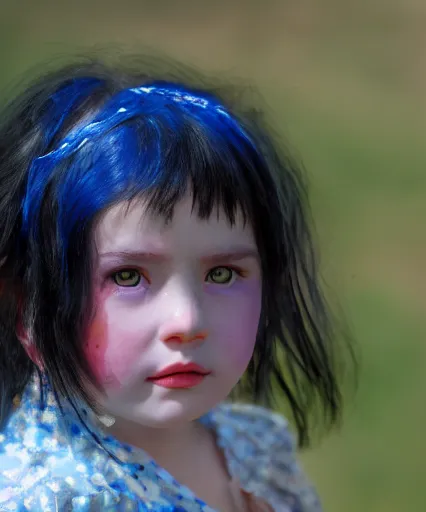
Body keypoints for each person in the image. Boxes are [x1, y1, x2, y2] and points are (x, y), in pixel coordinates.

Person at [0, 53, 352, 511]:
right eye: (128, 276)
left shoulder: (257, 449)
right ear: (24, 305)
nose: (187, 320)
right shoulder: (51, 498)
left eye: (222, 273)